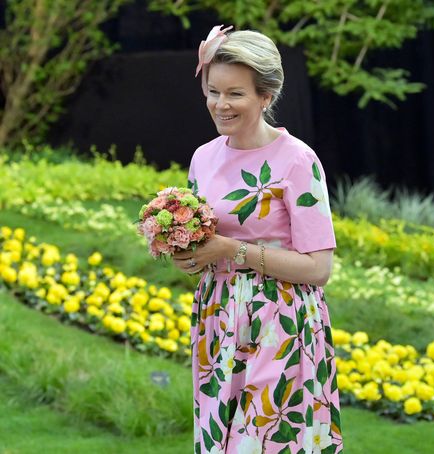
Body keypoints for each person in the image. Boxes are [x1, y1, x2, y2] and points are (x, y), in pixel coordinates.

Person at [172, 25, 343, 454]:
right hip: (218, 316)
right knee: (223, 439)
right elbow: (200, 240)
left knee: (272, 440)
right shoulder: (203, 157)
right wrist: (185, 253)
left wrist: (232, 251)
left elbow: (319, 269)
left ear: (266, 97)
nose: (219, 104)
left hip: (280, 321)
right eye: (213, 91)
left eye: (235, 93)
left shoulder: (298, 160)